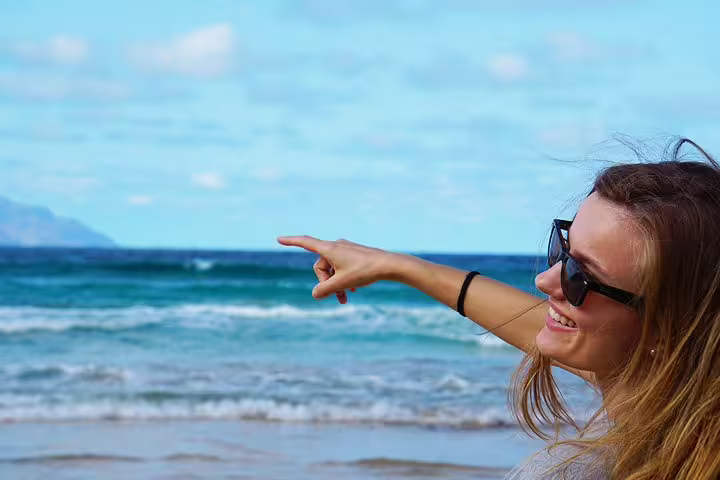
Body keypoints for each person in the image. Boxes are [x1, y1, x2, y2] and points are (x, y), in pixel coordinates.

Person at [277, 138, 720, 479]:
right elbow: (546, 324)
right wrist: (399, 267)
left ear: (666, 326)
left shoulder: (577, 470)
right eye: (562, 250)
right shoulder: (685, 399)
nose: (546, 281)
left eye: (580, 278)